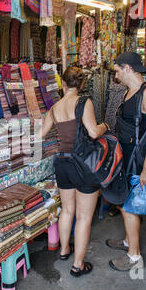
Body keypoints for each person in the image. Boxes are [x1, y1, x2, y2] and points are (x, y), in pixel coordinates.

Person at [41, 67, 109, 277]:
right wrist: (105, 125)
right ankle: (78, 265)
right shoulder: (83, 102)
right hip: (83, 163)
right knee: (84, 216)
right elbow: (93, 132)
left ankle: (64, 250)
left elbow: (41, 135)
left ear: (63, 83)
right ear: (80, 84)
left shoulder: (54, 108)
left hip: (62, 164)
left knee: (67, 211)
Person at [106, 52, 146, 272]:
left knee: (129, 206)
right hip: (125, 156)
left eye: (117, 70)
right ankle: (129, 241)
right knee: (124, 203)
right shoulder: (129, 92)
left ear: (128, 68)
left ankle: (134, 256)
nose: (116, 74)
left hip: (138, 161)